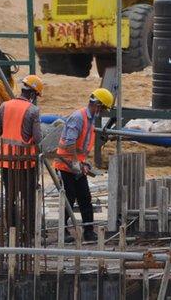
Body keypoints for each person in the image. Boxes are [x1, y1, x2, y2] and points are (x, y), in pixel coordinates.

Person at [54, 87, 113, 243]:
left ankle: (88, 231)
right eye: (104, 108)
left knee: (85, 197)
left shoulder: (90, 119)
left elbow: (82, 146)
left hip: (76, 165)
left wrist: (82, 162)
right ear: (98, 105)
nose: (104, 111)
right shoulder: (78, 117)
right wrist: (75, 162)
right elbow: (70, 142)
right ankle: (63, 231)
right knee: (69, 197)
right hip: (65, 165)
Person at [0, 75, 44, 244]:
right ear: (33, 94)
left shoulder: (4, 106)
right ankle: (29, 233)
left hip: (7, 160)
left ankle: (12, 232)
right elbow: (38, 139)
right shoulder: (33, 110)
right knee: (28, 198)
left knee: (10, 197)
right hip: (25, 162)